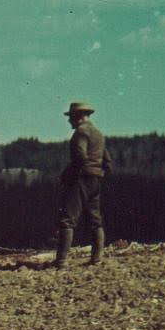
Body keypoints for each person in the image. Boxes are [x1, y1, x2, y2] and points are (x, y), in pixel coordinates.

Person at [54, 101, 112, 268]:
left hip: (81, 178)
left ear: (78, 117)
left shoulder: (81, 132)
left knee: (67, 220)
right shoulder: (99, 134)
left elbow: (80, 156)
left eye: (70, 117)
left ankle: (62, 260)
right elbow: (108, 162)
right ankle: (96, 257)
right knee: (95, 219)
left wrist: (68, 175)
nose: (69, 121)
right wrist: (99, 174)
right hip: (95, 180)